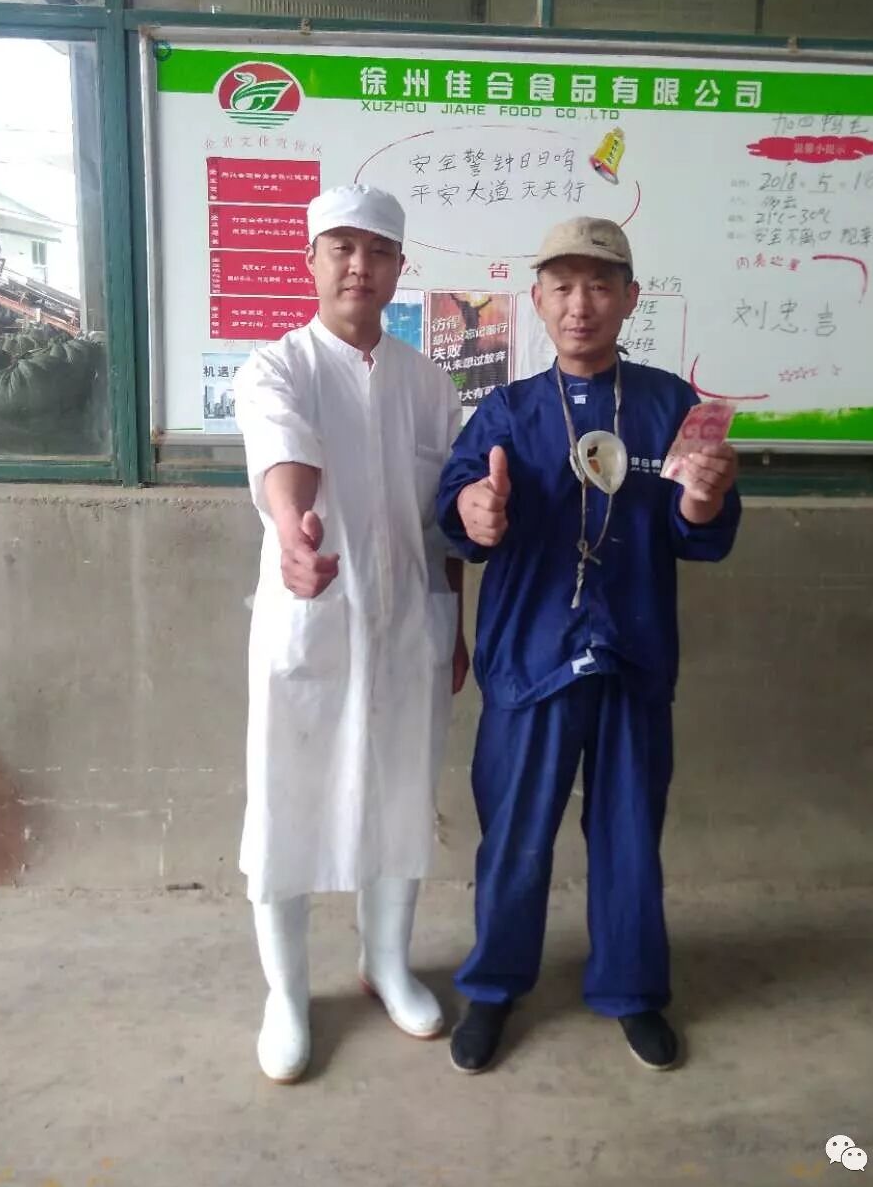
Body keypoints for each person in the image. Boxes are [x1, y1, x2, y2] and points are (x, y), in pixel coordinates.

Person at [435, 216, 740, 1075]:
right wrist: (474, 512)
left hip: (633, 652)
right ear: (536, 300)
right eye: (563, 287)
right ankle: (493, 987)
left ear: (630, 299)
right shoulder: (506, 410)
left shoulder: (673, 407)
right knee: (515, 836)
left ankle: (632, 990)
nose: (581, 305)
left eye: (600, 285)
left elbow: (700, 534)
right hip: (530, 656)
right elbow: (456, 507)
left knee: (630, 834)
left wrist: (704, 502)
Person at [235, 183, 468, 1084]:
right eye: (340, 247)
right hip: (314, 620)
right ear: (312, 261)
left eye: (376, 251)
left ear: (400, 268)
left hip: (410, 623)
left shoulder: (429, 383)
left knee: (402, 794)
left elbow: (446, 515)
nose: (358, 266)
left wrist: (454, 621)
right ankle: (287, 995)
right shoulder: (278, 367)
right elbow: (283, 457)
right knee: (288, 800)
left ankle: (387, 963)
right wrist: (295, 532)